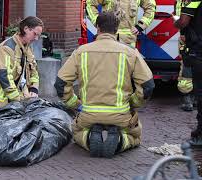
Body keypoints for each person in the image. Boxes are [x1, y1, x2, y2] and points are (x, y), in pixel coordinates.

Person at [54, 12, 155, 158]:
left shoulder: (81, 52)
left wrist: (76, 104)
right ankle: (120, 140)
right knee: (135, 135)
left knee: (76, 132)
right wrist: (133, 104)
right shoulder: (130, 53)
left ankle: (88, 139)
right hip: (120, 115)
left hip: (88, 114)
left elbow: (61, 84)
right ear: (117, 28)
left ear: (97, 27)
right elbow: (147, 86)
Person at [0, 16, 43, 110]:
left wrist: (34, 89)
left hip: (22, 99)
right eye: (35, 34)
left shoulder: (28, 47)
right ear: (26, 29)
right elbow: (5, 77)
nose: (36, 38)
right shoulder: (6, 48)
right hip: (6, 103)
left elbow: (34, 71)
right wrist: (18, 100)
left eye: (38, 35)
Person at [174, 0, 202, 145]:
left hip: (198, 52)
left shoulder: (193, 2)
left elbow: (183, 21)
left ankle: (200, 135)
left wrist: (176, 23)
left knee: (201, 95)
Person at [86, 0, 156, 47]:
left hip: (128, 40)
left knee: (127, 67)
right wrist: (98, 22)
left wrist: (140, 26)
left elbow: (151, 7)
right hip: (106, 37)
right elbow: (90, 4)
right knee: (107, 66)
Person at [175, 0, 194, 111]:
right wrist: (182, 33)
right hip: (185, 39)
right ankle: (187, 97)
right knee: (186, 67)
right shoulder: (179, 2)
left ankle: (195, 97)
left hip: (197, 37)